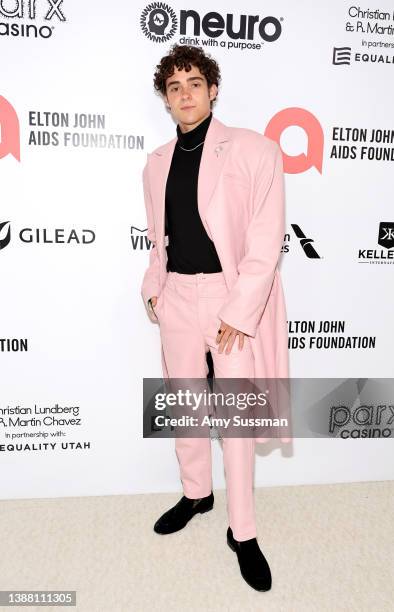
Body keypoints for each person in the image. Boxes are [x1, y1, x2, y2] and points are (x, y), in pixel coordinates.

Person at [141, 43, 288, 592]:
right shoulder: (155, 162)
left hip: (232, 300)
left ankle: (243, 531)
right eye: (174, 87)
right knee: (185, 402)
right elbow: (161, 237)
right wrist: (154, 286)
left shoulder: (254, 149)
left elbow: (265, 239)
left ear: (213, 89)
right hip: (176, 296)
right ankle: (196, 493)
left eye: (194, 83)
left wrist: (241, 310)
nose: (184, 94)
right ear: (165, 97)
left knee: (238, 419)